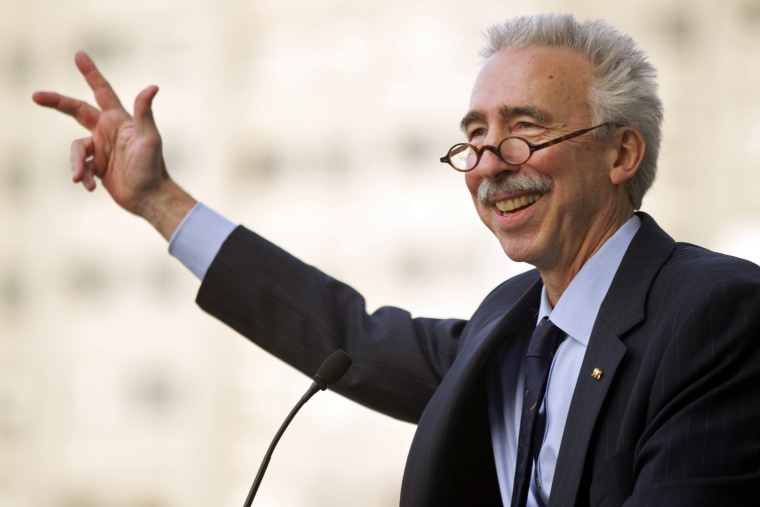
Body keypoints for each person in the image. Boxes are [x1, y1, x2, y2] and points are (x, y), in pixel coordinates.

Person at [33, 13, 760, 507]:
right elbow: (342, 335)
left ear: (621, 152)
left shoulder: (716, 312)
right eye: (474, 136)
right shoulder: (508, 323)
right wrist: (160, 200)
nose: (491, 163)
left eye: (526, 129)